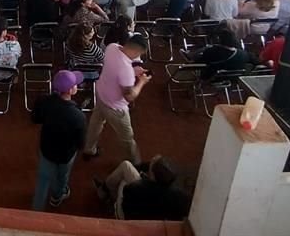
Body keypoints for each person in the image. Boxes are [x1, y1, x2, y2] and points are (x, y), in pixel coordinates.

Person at [83, 29, 151, 163]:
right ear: (138, 52)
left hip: (101, 94)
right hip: (115, 107)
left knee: (95, 123)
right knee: (127, 138)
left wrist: (133, 71)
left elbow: (117, 68)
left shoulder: (112, 47)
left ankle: (89, 150)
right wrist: (142, 82)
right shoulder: (125, 70)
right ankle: (135, 164)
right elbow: (129, 96)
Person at [31, 70, 87, 211]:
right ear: (70, 90)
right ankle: (57, 196)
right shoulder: (78, 116)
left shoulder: (44, 101)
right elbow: (80, 143)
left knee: (43, 179)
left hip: (47, 149)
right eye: (75, 84)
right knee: (62, 176)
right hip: (65, 154)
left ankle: (35, 212)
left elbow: (35, 119)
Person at [94, 156, 191, 221]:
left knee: (123, 181)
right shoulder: (182, 196)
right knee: (126, 166)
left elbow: (126, 204)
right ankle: (104, 190)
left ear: (152, 176)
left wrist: (142, 179)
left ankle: (108, 199)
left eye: (151, 165)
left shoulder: (136, 188)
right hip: (156, 220)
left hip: (130, 218)